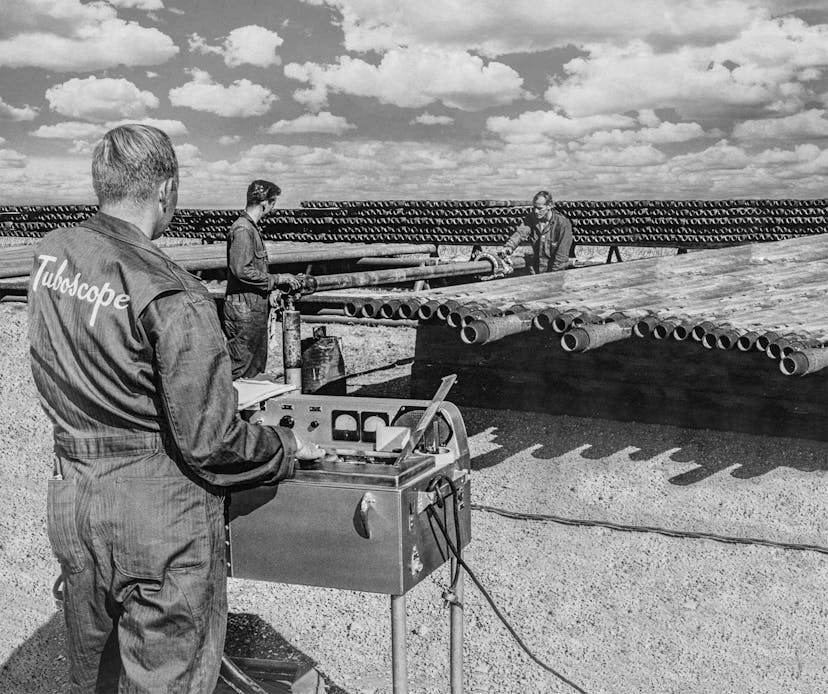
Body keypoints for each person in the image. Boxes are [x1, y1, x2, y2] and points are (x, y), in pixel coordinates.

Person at [28, 124, 322, 693]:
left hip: (75, 498)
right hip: (157, 516)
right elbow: (210, 441)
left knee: (97, 677)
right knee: (166, 677)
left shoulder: (53, 256)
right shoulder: (174, 293)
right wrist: (285, 447)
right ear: (166, 189)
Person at [224, 180, 302, 379]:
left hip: (252, 309)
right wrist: (277, 279)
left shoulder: (250, 228)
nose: (273, 208)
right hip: (244, 312)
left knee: (255, 369)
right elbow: (241, 270)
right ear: (265, 203)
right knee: (241, 369)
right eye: (273, 203)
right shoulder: (243, 230)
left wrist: (270, 291)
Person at [499, 189, 573, 273]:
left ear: (550, 206)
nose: (536, 211)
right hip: (537, 268)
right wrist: (509, 246)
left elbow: (561, 257)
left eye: (540, 208)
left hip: (554, 269)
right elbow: (520, 233)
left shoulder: (562, 224)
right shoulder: (531, 218)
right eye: (534, 207)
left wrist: (553, 276)